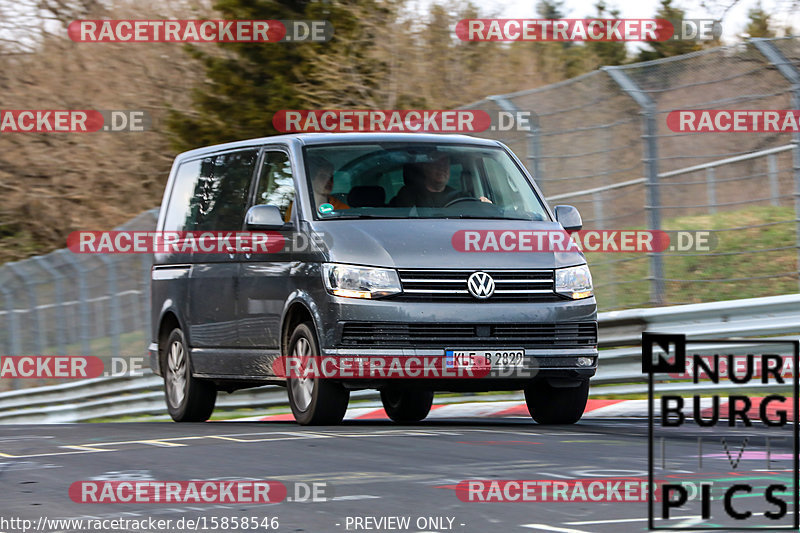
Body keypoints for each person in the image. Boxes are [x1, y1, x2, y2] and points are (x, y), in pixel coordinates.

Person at [390, 154, 491, 208]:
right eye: (437, 164)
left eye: (445, 164)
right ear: (425, 168)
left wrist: (485, 207)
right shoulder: (407, 195)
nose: (442, 168)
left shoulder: (461, 197)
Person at [285, 155, 348, 221]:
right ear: (310, 180)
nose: (328, 181)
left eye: (331, 178)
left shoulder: (342, 208)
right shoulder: (297, 208)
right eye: (323, 177)